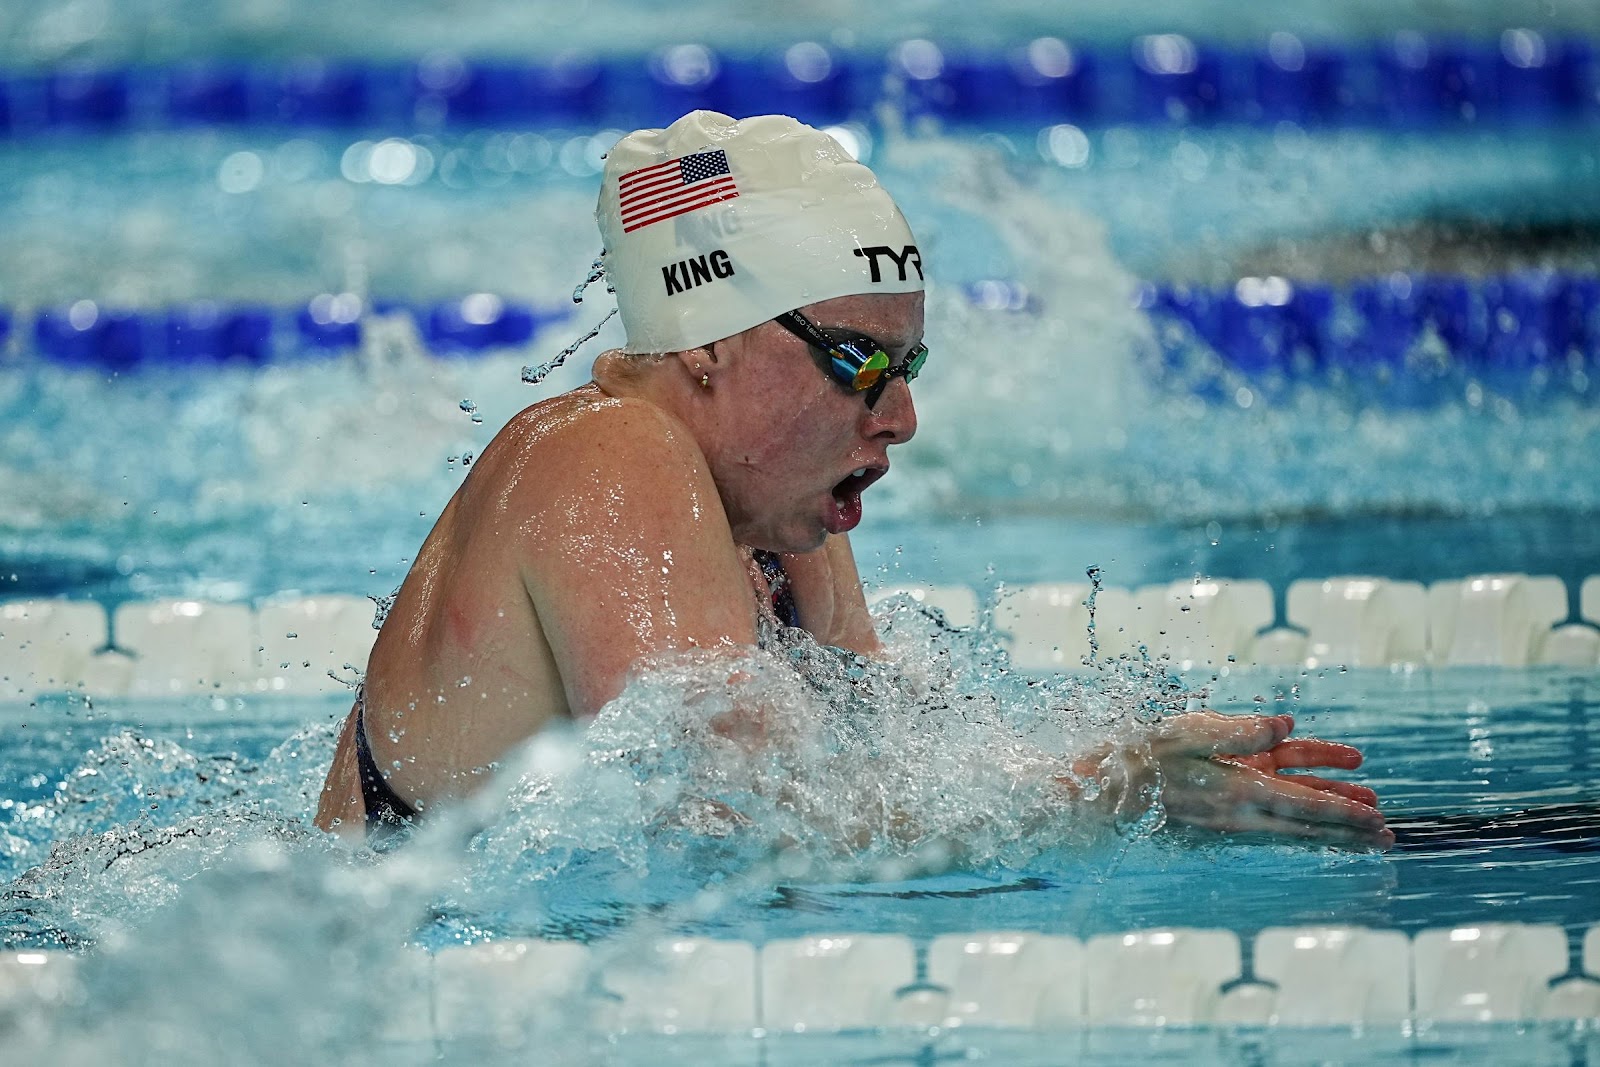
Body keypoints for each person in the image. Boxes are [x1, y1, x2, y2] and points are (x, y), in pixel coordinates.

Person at [314, 110, 1393, 851]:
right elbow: (725, 812)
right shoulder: (607, 453)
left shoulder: (778, 528)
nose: (901, 417)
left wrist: (1156, 781)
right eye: (855, 363)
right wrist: (1102, 790)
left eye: (907, 366)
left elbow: (896, 773)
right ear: (706, 344)